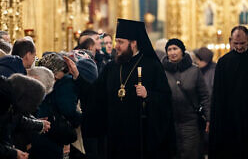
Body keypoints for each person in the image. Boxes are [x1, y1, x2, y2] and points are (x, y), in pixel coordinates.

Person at [65, 18, 176, 159]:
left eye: (120, 42)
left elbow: (165, 99)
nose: (116, 46)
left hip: (141, 139)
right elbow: (95, 94)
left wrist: (148, 95)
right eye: (116, 41)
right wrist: (77, 76)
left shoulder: (152, 66)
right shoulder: (112, 67)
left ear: (134, 43)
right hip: (115, 137)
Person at [209, 25, 248, 159]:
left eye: (242, 43)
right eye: (235, 43)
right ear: (230, 40)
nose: (238, 46)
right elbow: (218, 95)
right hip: (229, 118)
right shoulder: (223, 62)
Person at [161, 39, 210, 159]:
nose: (172, 52)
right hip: (169, 123)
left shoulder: (194, 71)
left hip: (190, 123)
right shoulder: (162, 72)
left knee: (189, 153)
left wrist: (209, 118)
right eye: (169, 49)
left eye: (175, 49)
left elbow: (204, 96)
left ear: (182, 51)